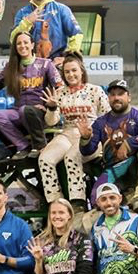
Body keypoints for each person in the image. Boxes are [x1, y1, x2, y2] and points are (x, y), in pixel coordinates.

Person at [78, 79, 138, 213]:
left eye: (120, 94)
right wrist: (85, 138)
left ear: (128, 97)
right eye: (112, 94)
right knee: (96, 201)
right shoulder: (100, 123)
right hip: (113, 170)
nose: (116, 97)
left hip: (136, 168)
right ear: (108, 98)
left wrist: (129, 144)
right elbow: (88, 151)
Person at [38, 53, 109, 210]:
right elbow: (52, 121)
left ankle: (78, 202)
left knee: (71, 156)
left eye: (74, 70)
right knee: (45, 159)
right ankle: (55, 201)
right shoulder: (59, 92)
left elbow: (107, 116)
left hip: (90, 135)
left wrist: (99, 136)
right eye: (67, 72)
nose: (71, 74)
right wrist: (51, 107)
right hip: (67, 133)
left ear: (81, 71)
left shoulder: (95, 90)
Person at [0, 31, 62, 159]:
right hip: (18, 111)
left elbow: (60, 87)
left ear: (32, 45)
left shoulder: (46, 64)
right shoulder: (11, 67)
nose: (22, 46)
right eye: (19, 43)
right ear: (15, 47)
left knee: (25, 110)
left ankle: (40, 145)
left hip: (39, 112)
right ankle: (23, 146)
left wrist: (49, 106)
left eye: (26, 42)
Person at [11, 0, 83, 65]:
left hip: (56, 64)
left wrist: (67, 58)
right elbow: (13, 39)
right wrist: (27, 22)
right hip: (30, 64)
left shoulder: (61, 9)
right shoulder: (22, 13)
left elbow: (77, 34)